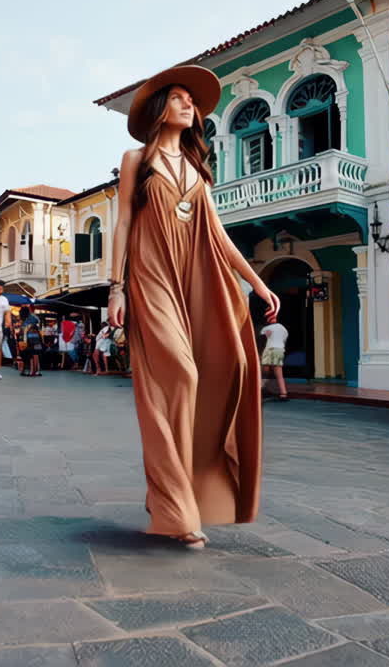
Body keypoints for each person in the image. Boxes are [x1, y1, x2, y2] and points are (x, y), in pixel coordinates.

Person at [109, 65, 278, 549]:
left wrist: (256, 282)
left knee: (224, 370)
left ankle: (174, 498)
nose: (191, 105)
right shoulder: (135, 160)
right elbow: (122, 222)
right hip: (151, 273)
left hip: (195, 279)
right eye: (180, 97)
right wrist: (115, 287)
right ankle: (175, 508)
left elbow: (219, 236)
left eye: (192, 101)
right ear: (161, 108)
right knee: (180, 375)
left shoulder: (198, 170)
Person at [259, 315, 289, 402]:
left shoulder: (266, 328)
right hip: (279, 350)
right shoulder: (284, 329)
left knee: (264, 372)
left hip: (269, 350)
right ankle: (283, 394)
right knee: (278, 372)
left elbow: (261, 341)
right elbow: (284, 341)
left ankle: (261, 390)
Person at [19, 306, 44, 376]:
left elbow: (23, 331)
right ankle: (37, 371)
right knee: (36, 355)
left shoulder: (25, 320)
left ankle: (32, 371)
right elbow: (38, 320)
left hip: (29, 339)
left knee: (31, 355)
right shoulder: (33, 317)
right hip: (36, 338)